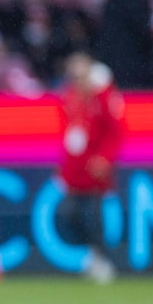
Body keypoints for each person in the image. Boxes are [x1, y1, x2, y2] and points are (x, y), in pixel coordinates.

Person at [56, 52, 125, 284]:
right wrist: (63, 171)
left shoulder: (102, 98)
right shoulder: (69, 99)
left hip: (94, 170)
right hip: (75, 171)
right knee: (69, 214)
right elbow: (69, 137)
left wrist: (105, 158)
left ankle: (102, 259)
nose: (77, 81)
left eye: (81, 76)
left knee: (92, 216)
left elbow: (116, 132)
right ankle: (95, 255)